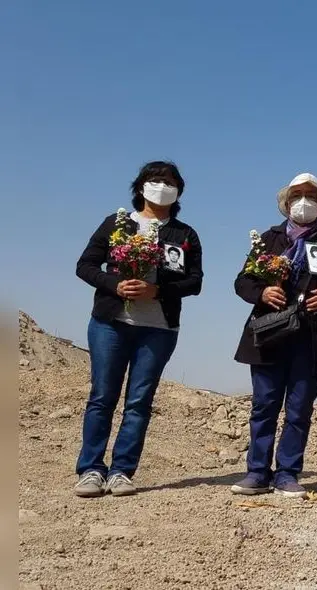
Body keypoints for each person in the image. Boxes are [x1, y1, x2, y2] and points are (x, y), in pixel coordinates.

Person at [73, 161, 203, 497]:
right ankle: (90, 469)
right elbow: (85, 265)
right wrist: (114, 285)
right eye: (155, 180)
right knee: (102, 397)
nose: (162, 185)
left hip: (158, 329)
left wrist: (158, 290)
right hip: (110, 324)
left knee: (139, 401)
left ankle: (121, 471)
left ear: (179, 191)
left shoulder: (185, 234)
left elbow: (194, 282)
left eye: (169, 181)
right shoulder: (118, 224)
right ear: (141, 186)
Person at [232, 173, 317, 497]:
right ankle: (257, 472)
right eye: (297, 195)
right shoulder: (269, 240)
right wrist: (262, 293)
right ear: (287, 203)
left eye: (311, 195)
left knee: (299, 409)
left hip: (313, 341)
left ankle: (287, 473)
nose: (304, 201)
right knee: (264, 405)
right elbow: (242, 283)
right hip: (270, 335)